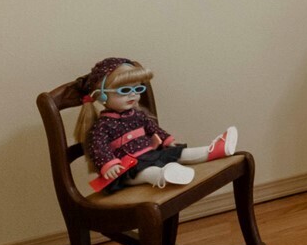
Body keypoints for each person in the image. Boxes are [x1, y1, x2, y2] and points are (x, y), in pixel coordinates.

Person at [73, 57, 237, 193]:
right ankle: (164, 175)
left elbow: (153, 129)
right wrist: (109, 164)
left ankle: (212, 150)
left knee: (177, 153)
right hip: (127, 168)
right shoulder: (102, 126)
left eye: (137, 89)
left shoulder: (137, 114)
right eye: (124, 91)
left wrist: (166, 140)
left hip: (150, 154)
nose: (133, 95)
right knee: (146, 172)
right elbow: (98, 147)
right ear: (101, 96)